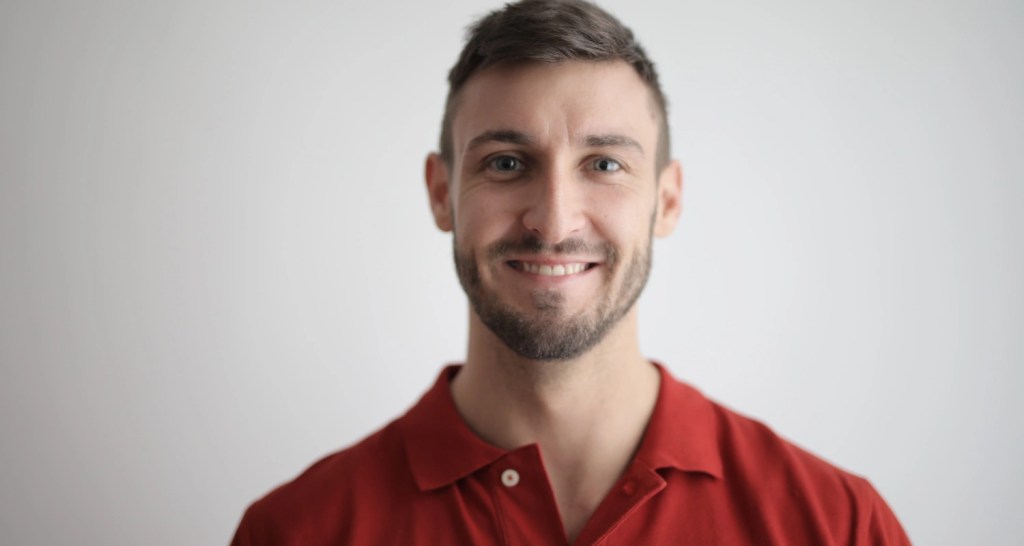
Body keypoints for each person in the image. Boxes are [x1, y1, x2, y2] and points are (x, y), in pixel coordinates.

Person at [230, 1, 911, 544]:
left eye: (604, 164)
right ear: (441, 194)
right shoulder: (296, 532)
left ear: (667, 200)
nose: (554, 222)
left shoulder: (837, 525)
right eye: (505, 163)